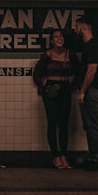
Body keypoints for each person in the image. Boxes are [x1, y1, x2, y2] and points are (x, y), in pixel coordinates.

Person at [32, 28, 79, 169]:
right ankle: (55, 156)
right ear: (51, 40)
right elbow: (37, 73)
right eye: (56, 37)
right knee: (52, 122)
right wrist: (42, 87)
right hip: (51, 89)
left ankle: (64, 155)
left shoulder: (70, 54)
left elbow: (79, 70)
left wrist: (73, 86)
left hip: (65, 87)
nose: (59, 39)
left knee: (64, 123)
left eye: (61, 37)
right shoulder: (47, 55)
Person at [73, 14, 98, 171]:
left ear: (83, 27)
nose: (75, 30)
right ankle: (94, 156)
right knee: (90, 125)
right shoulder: (90, 45)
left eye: (76, 26)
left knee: (92, 125)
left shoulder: (92, 46)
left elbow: (91, 71)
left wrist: (82, 92)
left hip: (91, 91)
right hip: (90, 91)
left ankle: (97, 159)